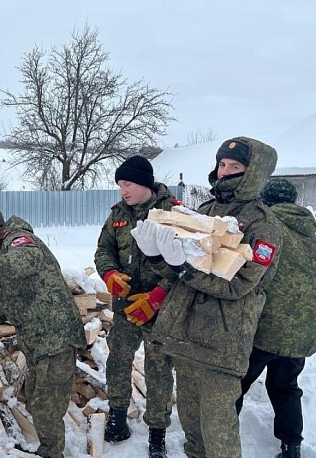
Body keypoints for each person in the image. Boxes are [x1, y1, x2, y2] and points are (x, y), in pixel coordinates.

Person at [134, 137, 283, 458]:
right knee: (193, 431)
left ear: (254, 172)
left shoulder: (264, 225)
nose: (225, 172)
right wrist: (159, 258)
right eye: (222, 165)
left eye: (235, 167)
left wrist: (184, 267)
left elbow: (239, 285)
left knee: (218, 435)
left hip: (222, 343)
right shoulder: (203, 212)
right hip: (187, 337)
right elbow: (178, 276)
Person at [0, 203, 85, 458]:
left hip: (55, 338)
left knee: (46, 404)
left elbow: (28, 259)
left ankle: (53, 453)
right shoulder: (6, 246)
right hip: (41, 339)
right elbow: (16, 296)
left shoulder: (20, 240)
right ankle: (49, 449)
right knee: (37, 397)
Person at [93, 155, 179, 457]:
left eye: (127, 183)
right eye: (119, 185)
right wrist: (109, 274)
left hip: (160, 308)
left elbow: (186, 267)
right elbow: (104, 249)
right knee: (118, 360)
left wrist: (158, 297)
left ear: (144, 182)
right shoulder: (118, 214)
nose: (123, 190)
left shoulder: (173, 213)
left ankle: (157, 431)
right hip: (125, 306)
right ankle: (117, 415)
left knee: (158, 368)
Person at [236, 178, 316, 458]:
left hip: (265, 329)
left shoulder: (268, 229)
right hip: (302, 331)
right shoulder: (311, 236)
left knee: (234, 385)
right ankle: (292, 448)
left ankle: (221, 441)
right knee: (286, 387)